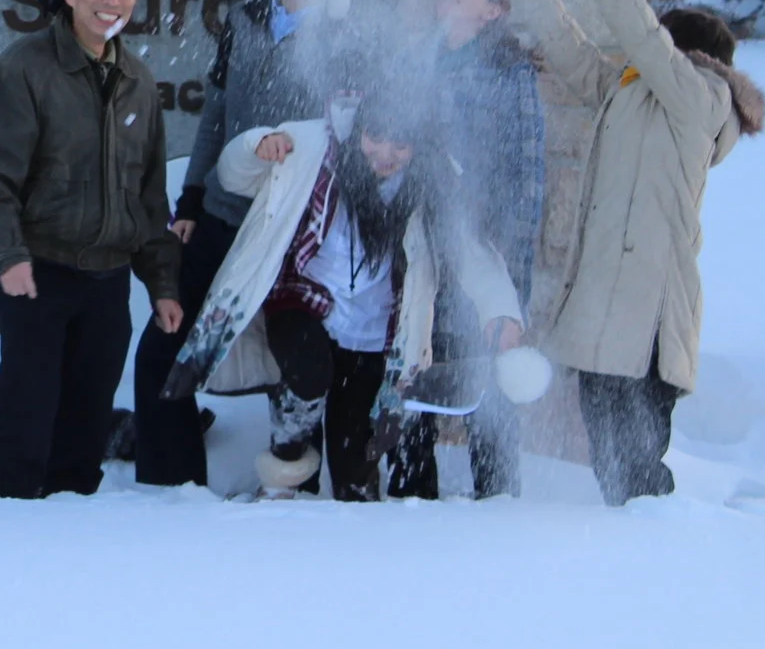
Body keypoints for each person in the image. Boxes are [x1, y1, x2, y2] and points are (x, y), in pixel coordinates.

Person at [468, 0, 765, 505]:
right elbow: (577, 57)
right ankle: (635, 572)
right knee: (614, 473)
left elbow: (640, 35)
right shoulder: (632, 96)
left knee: (638, 475)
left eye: (661, 43)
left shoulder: (701, 101)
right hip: (605, 319)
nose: (646, 51)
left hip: (650, 328)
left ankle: (668, 564)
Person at [156, 94, 525, 501]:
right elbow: (230, 174)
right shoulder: (312, 145)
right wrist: (258, 145)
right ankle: (283, 471)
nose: (384, 154)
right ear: (359, 129)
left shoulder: (435, 180)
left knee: (355, 460)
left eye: (401, 146)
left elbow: (474, 251)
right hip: (302, 299)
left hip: (373, 325)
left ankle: (355, 517)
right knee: (309, 371)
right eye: (375, 137)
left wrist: (500, 312)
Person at [132, 0, 356, 490]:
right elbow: (217, 113)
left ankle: (295, 488)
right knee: (165, 344)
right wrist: (191, 203)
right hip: (225, 215)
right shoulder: (244, 17)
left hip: (294, 226)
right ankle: (171, 486)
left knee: (296, 357)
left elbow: (352, 134)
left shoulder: (347, 35)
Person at [0, 0, 181, 499]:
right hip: (38, 272)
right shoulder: (27, 66)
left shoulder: (138, 79)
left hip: (106, 280)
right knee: (26, 418)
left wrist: (162, 285)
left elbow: (149, 195)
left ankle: (67, 545)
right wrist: (9, 258)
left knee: (87, 424)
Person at [392, 0, 546, 499]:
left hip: (483, 246)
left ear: (494, 10)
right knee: (413, 368)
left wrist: (510, 261)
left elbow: (528, 170)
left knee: (490, 376)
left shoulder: (510, 67)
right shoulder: (412, 59)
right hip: (418, 244)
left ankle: (498, 495)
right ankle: (412, 492)